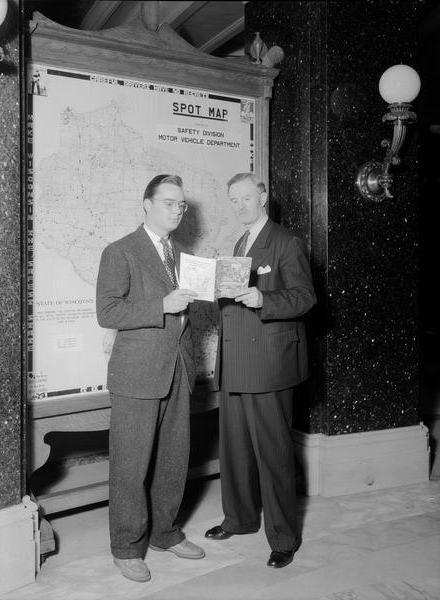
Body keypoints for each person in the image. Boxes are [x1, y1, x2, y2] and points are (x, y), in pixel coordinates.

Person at [96, 174, 204, 583]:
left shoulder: (180, 255)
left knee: (174, 461)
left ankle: (165, 533)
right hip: (136, 374)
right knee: (130, 465)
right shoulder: (120, 251)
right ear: (146, 204)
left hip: (177, 371)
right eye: (169, 203)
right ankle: (126, 547)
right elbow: (108, 312)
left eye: (181, 205)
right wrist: (161, 304)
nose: (177, 210)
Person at [205, 172, 316, 569]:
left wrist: (261, 298)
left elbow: (305, 297)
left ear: (263, 197)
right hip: (235, 362)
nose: (240, 205)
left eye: (246, 198)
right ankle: (240, 519)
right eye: (233, 200)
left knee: (274, 455)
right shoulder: (239, 243)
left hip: (269, 365)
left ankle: (284, 537)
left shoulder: (286, 242)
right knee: (233, 449)